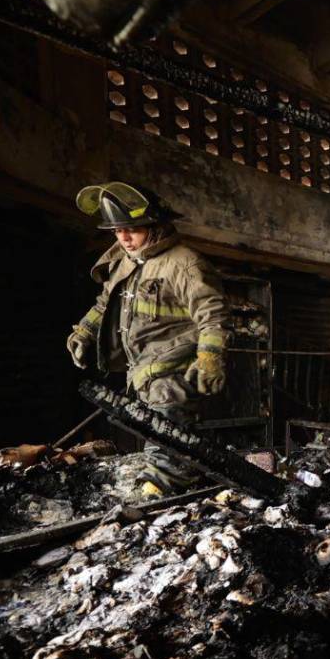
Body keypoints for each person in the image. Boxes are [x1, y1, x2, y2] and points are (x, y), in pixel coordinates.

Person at [66, 182, 230, 498]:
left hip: (174, 364)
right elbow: (105, 302)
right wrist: (84, 330)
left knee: (166, 424)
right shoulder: (125, 261)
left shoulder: (184, 263)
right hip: (140, 366)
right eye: (116, 231)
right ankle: (172, 478)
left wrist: (210, 357)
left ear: (155, 224)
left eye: (132, 229)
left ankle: (163, 488)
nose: (123, 237)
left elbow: (213, 313)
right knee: (156, 427)